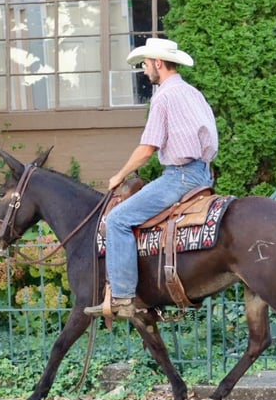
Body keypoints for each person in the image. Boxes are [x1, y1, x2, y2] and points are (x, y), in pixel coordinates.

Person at [84, 38, 219, 319]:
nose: (145, 71)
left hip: (180, 176)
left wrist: (119, 176)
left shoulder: (164, 96)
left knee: (118, 219)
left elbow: (147, 148)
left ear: (159, 63)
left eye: (146, 64)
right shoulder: (193, 93)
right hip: (203, 174)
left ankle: (122, 298)